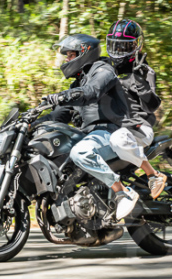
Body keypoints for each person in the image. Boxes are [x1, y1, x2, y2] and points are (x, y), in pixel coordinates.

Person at [40, 33, 140, 220]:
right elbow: (58, 115)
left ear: (84, 52)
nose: (67, 59)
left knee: (80, 152)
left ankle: (122, 192)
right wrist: (31, 122)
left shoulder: (104, 70)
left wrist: (63, 96)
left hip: (112, 133)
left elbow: (91, 92)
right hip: (90, 136)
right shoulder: (77, 84)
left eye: (71, 55)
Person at [105, 19, 167, 199]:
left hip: (138, 129)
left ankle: (153, 175)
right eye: (115, 45)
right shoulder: (105, 70)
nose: (118, 50)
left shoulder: (145, 71)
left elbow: (152, 106)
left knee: (119, 139)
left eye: (124, 46)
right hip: (109, 128)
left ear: (135, 46)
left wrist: (140, 81)